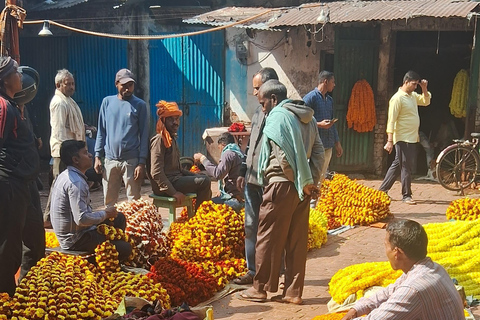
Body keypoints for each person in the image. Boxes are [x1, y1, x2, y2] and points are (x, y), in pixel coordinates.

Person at [238, 80, 324, 305]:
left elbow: (284, 156)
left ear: (274, 99)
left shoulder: (277, 116)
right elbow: (319, 153)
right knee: (296, 241)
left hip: (281, 184)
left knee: (266, 237)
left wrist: (295, 179)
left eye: (263, 103)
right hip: (302, 189)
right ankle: (293, 292)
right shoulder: (309, 118)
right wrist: (310, 182)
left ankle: (260, 289)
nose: (263, 108)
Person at [341, 219, 465, 320]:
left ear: (397, 253)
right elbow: (389, 291)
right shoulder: (432, 268)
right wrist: (356, 310)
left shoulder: (413, 289)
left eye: (386, 246)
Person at [50, 140, 132, 261]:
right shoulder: (76, 183)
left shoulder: (66, 175)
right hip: (75, 239)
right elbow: (82, 219)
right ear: (75, 160)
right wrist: (105, 213)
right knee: (126, 248)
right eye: (85, 153)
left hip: (77, 231)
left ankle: (109, 250)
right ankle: (103, 261)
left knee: (119, 218)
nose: (90, 155)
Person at [233, 67, 279, 285]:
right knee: (251, 226)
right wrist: (243, 170)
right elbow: (251, 145)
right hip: (252, 180)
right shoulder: (257, 113)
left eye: (257, 88)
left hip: (271, 182)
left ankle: (275, 272)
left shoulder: (281, 116)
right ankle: (253, 271)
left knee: (274, 228)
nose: (254, 93)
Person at [0, 56, 40, 296]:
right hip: (10, 184)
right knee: (9, 243)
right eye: (16, 72)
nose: (21, 76)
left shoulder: (13, 105)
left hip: (24, 183)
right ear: (6, 80)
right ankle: (5, 295)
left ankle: (28, 287)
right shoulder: (3, 107)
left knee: (33, 238)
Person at [94, 69, 149, 207]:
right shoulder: (107, 103)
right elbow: (101, 131)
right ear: (116, 84)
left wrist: (141, 163)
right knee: (109, 201)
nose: (127, 88)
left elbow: (144, 135)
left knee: (134, 202)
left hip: (131, 161)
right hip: (110, 160)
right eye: (124, 85)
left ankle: (134, 227)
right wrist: (97, 156)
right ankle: (110, 227)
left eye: (130, 85)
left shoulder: (140, 105)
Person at [148, 100, 211, 211]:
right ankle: (199, 218)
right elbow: (156, 172)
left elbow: (178, 169)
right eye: (171, 119)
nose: (175, 122)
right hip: (166, 185)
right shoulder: (159, 140)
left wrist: (195, 175)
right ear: (163, 120)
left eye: (177, 119)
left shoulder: (171, 138)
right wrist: (174, 192)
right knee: (204, 182)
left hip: (175, 179)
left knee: (204, 178)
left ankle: (201, 214)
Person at [379, 71, 431, 205]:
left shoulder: (412, 96)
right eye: (413, 84)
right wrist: (389, 140)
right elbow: (391, 120)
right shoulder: (397, 98)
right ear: (406, 82)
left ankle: (382, 190)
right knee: (406, 166)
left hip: (412, 137)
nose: (415, 87)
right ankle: (406, 195)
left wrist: (424, 89)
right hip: (402, 137)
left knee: (398, 164)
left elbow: (426, 102)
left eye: (416, 85)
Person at [45, 69, 85, 226]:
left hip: (71, 150)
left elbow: (72, 125)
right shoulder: (59, 103)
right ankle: (49, 218)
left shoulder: (68, 100)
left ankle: (55, 217)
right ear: (58, 85)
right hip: (63, 152)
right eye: (68, 84)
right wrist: (67, 153)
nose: (72, 87)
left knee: (64, 185)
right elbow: (59, 130)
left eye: (73, 84)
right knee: (59, 185)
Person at [303, 70, 343, 181]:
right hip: (314, 145)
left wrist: (337, 142)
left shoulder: (330, 100)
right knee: (312, 176)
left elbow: (332, 123)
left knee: (322, 176)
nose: (334, 85)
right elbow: (301, 120)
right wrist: (319, 124)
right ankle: (310, 198)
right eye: (333, 82)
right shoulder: (310, 98)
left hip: (328, 144)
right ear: (325, 82)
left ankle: (318, 198)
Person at [194, 132, 244, 212]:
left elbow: (218, 174)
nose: (220, 151)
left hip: (234, 200)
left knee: (205, 207)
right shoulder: (240, 153)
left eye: (219, 148)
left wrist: (203, 159)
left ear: (223, 145)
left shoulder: (228, 153)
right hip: (241, 197)